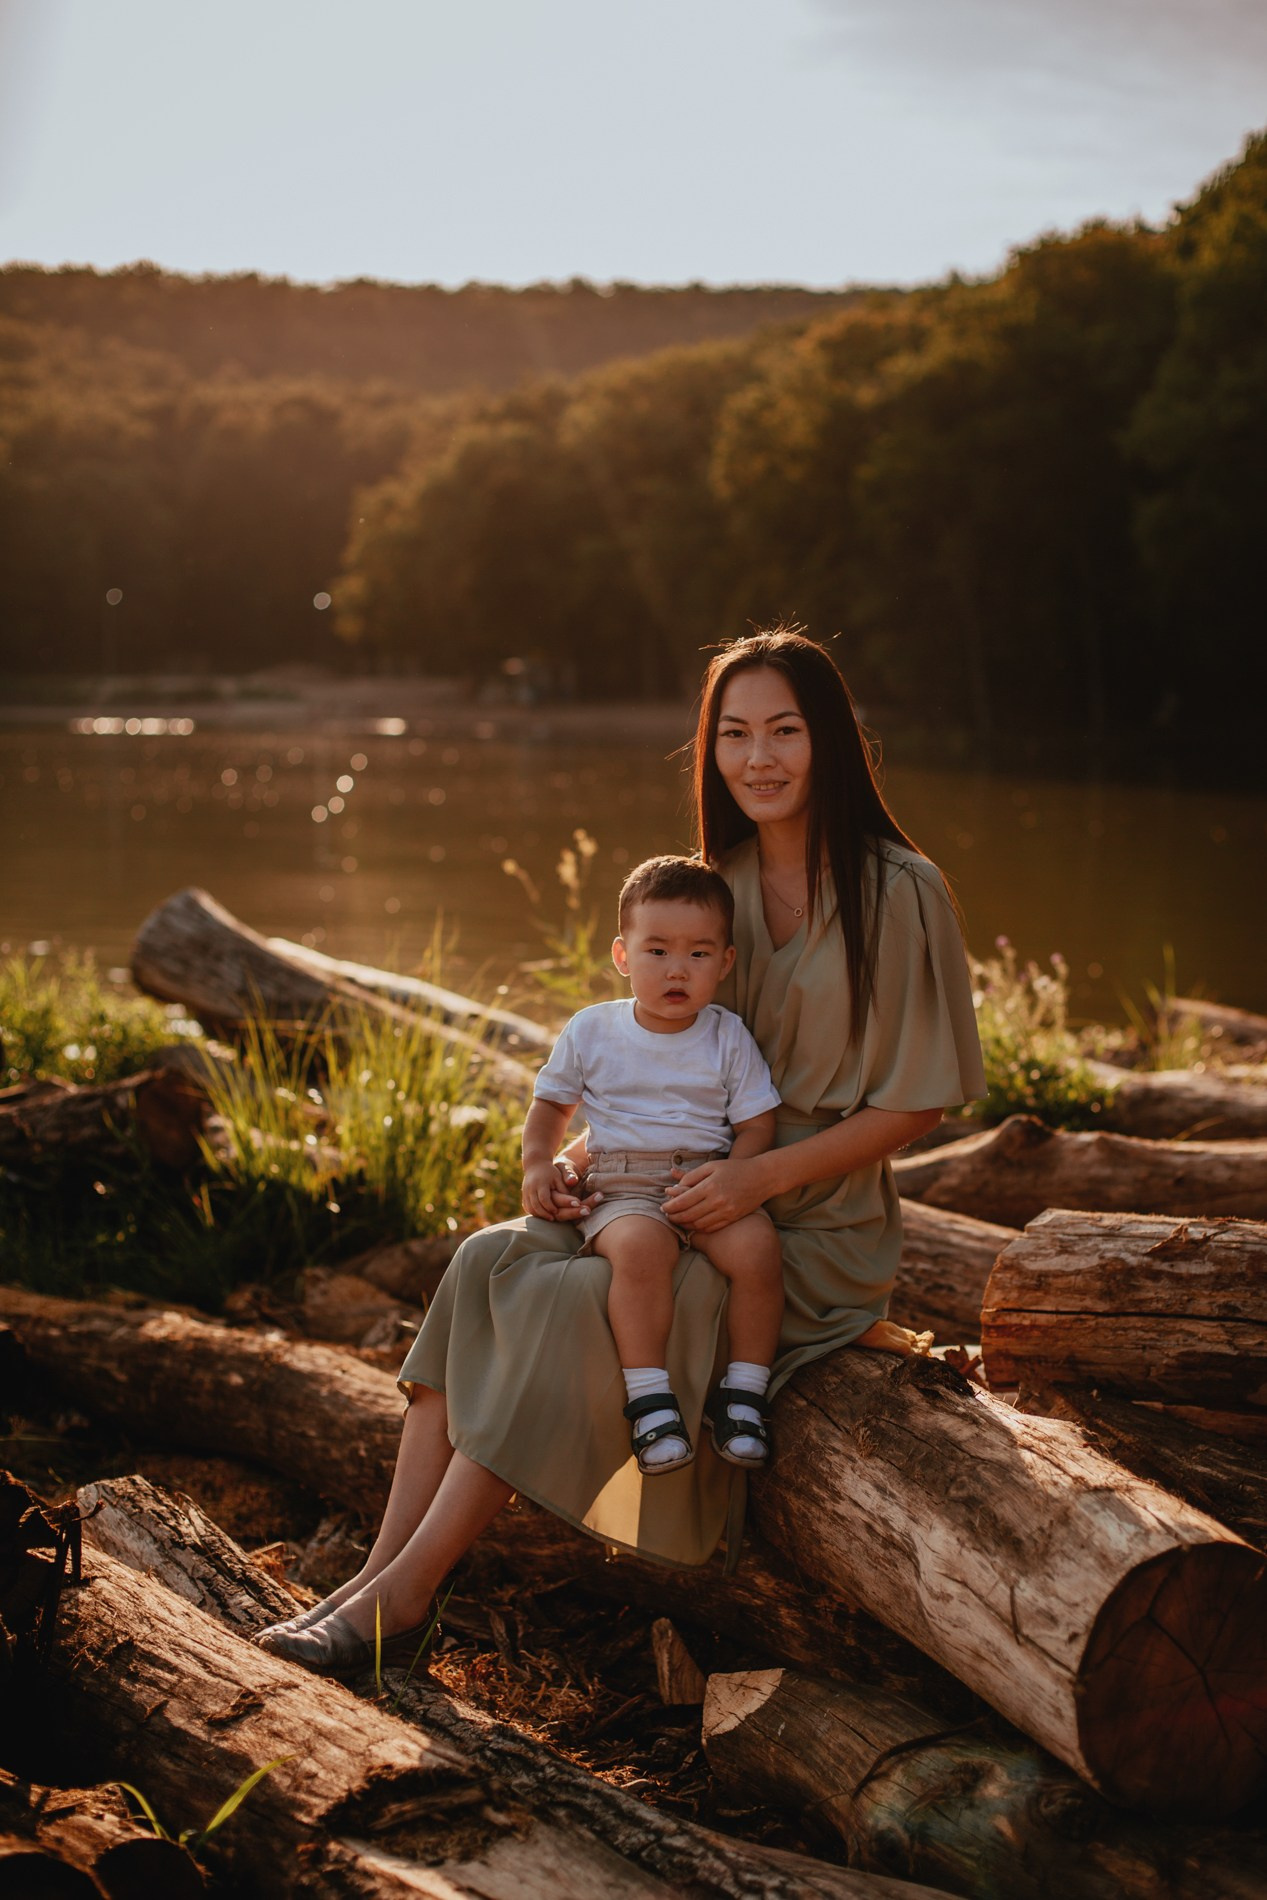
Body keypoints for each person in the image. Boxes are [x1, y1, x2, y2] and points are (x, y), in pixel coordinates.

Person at [257, 624, 986, 1679]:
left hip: (802, 1226)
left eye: (784, 729)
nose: (759, 757)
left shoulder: (899, 888)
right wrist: (579, 1157)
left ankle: (407, 1597)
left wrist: (757, 1176)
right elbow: (671, 1070)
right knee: (486, 1262)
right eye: (734, 733)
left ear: (831, 739)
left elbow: (918, 1105)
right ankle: (370, 1578)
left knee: (563, 1303)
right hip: (671, 1190)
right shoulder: (715, 886)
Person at [522, 854, 784, 1479]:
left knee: (760, 1252)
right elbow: (551, 1107)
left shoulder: (727, 1036)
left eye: (699, 955)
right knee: (640, 1250)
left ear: (725, 963)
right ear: (622, 956)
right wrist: (537, 1164)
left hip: (708, 1181)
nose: (677, 969)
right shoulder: (593, 1030)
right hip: (621, 1183)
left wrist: (737, 1181)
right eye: (658, 950)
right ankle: (649, 1400)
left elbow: (756, 1125)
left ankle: (744, 1394)